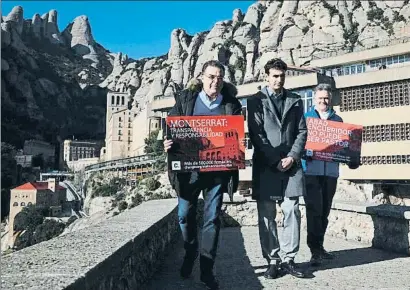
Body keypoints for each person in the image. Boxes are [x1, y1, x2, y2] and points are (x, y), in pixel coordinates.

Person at [163, 60, 242, 290]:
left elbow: (235, 136)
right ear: (201, 77)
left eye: (219, 78)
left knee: (212, 220)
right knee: (184, 215)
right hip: (189, 172)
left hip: (217, 172)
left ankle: (207, 270)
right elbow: (170, 126)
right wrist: (167, 142)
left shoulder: (231, 105)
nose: (215, 82)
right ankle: (190, 251)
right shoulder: (186, 100)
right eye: (211, 77)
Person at [247, 58, 307, 279]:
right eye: (274, 75)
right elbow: (256, 133)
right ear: (267, 76)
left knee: (292, 210)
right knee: (267, 214)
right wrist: (274, 159)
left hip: (291, 165)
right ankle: (272, 259)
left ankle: (289, 259)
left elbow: (302, 131)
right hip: (266, 164)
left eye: (281, 76)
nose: (278, 79)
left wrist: (292, 156)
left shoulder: (296, 100)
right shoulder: (255, 100)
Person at [302, 83, 360, 266]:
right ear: (314, 99)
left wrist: (352, 157)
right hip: (311, 171)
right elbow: (299, 142)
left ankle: (320, 246)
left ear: (331, 98)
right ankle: (314, 250)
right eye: (320, 98)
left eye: (326, 98)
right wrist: (305, 152)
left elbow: (344, 145)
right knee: (314, 211)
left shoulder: (338, 120)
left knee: (325, 211)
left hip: (331, 173)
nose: (323, 101)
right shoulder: (305, 118)